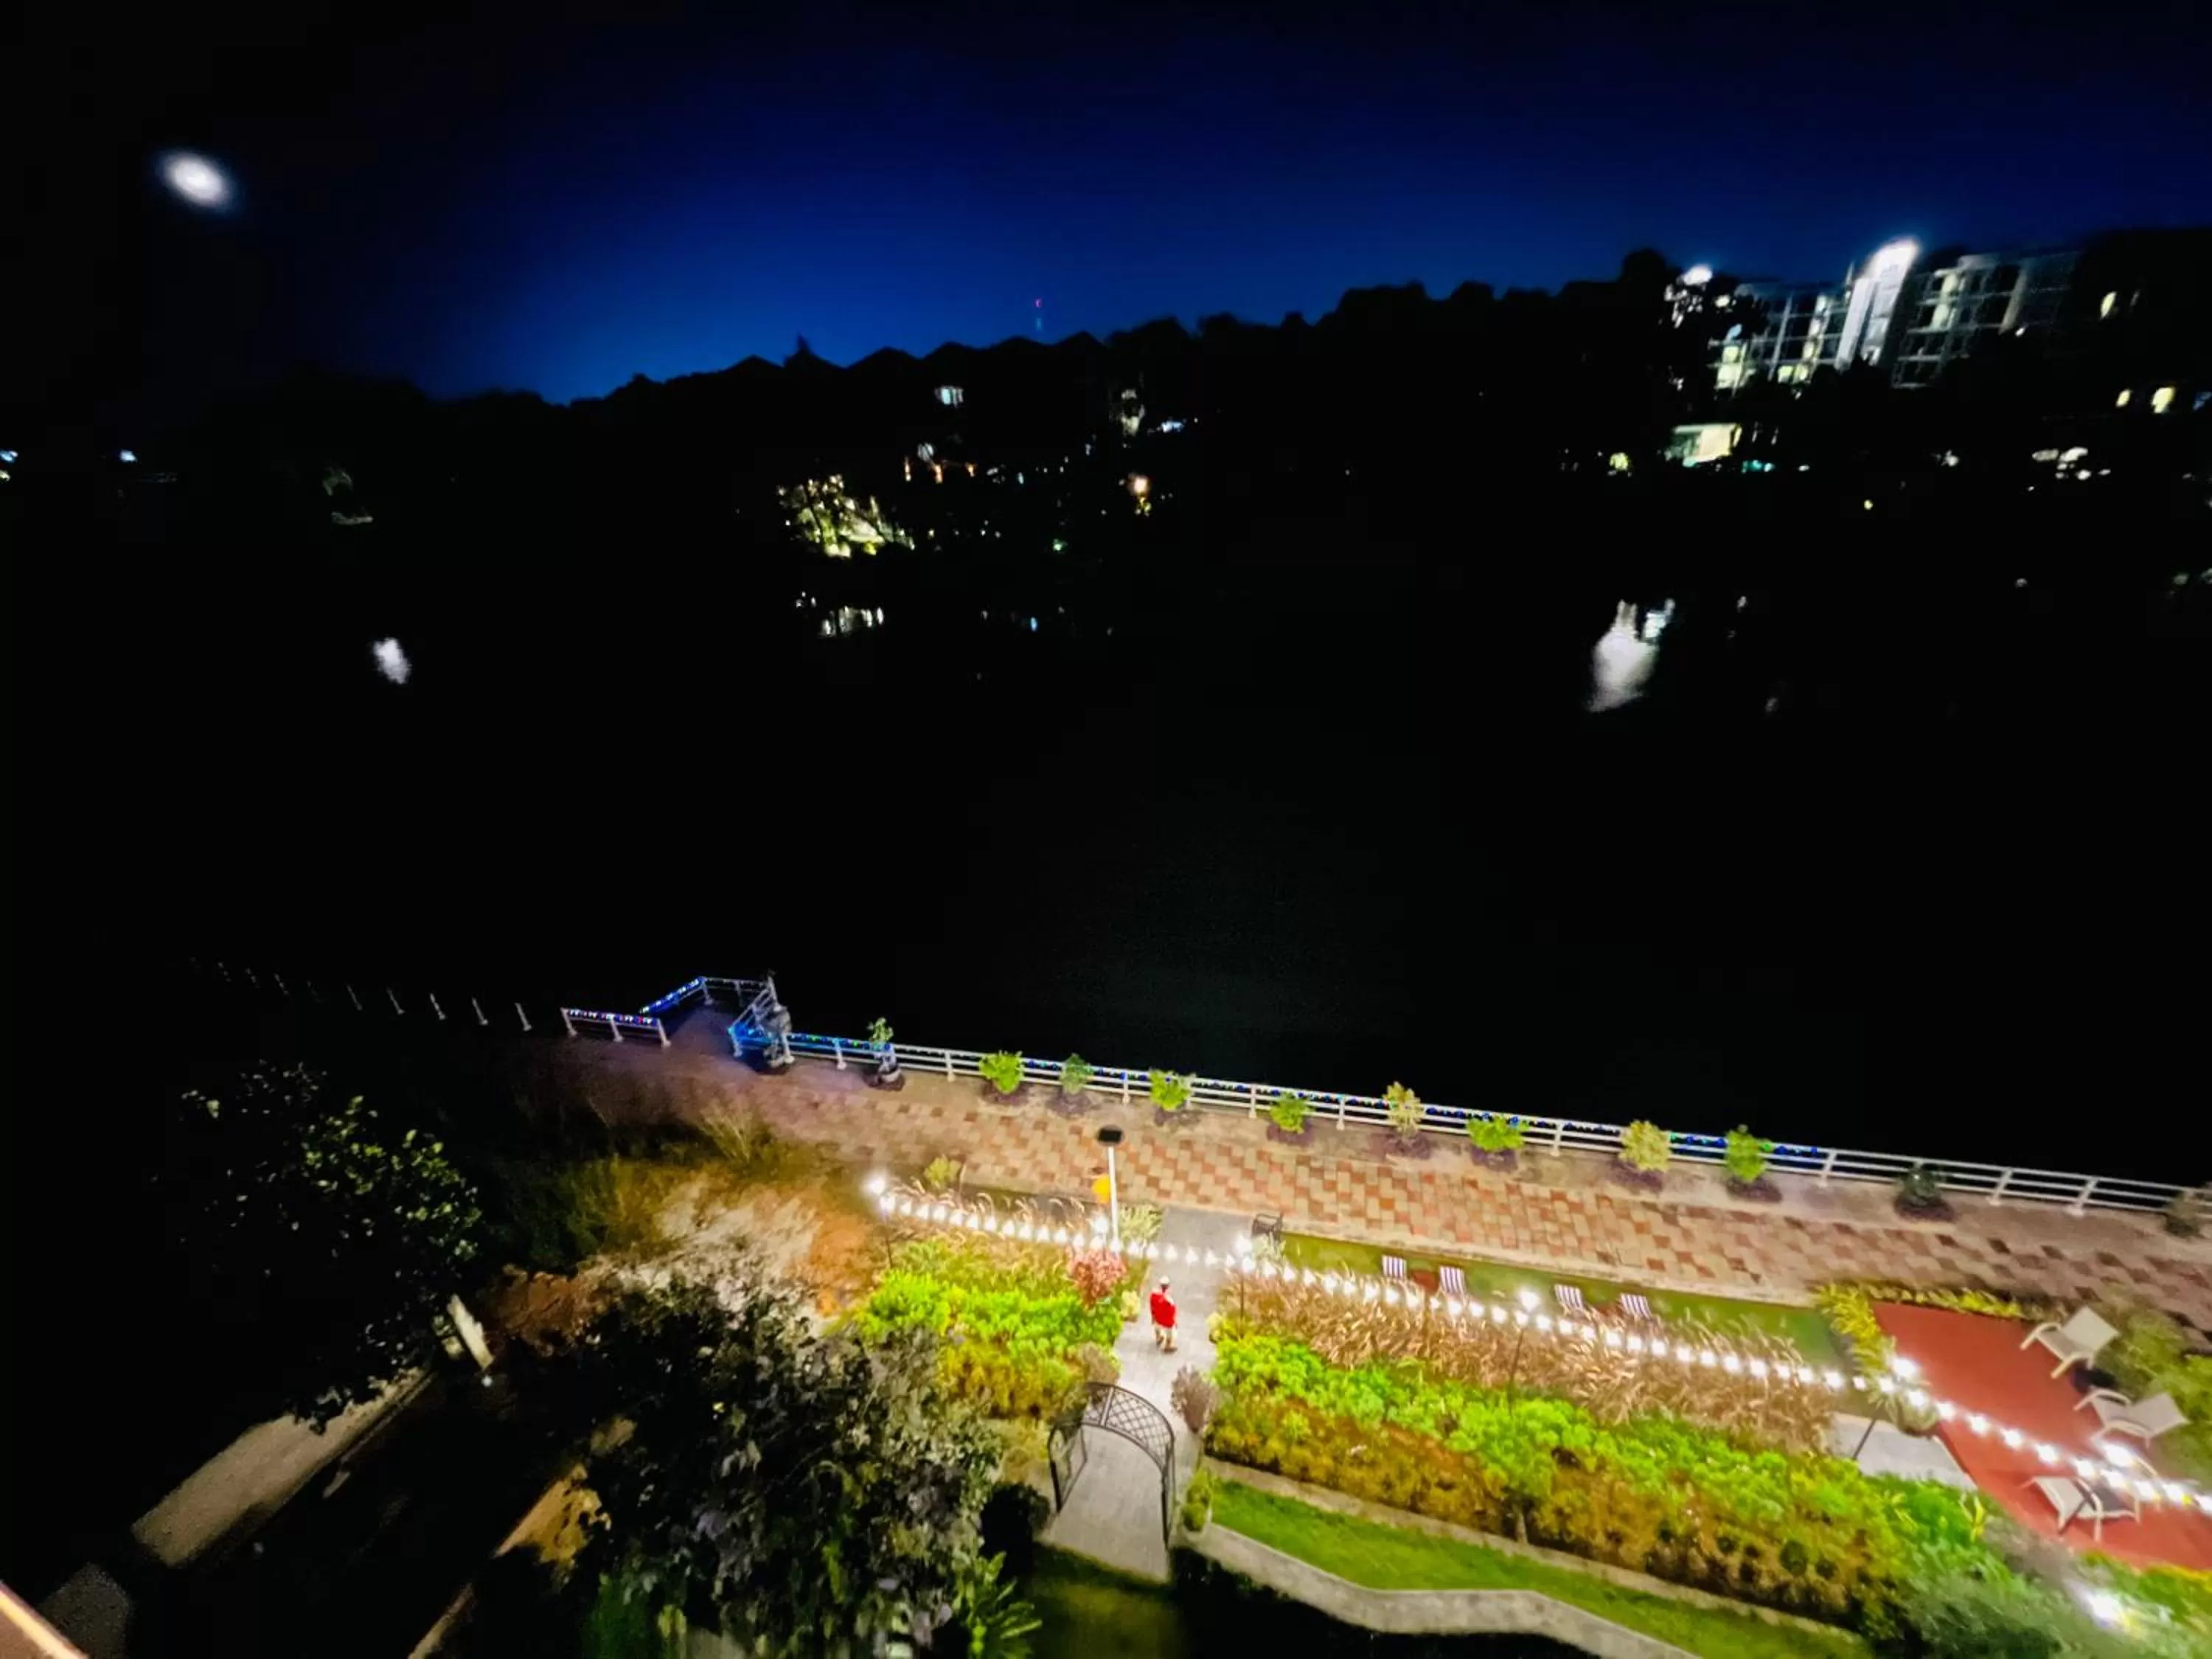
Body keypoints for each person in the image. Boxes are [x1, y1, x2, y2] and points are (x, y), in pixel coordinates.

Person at [1149, 1280, 1178, 1352]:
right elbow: (1172, 1312)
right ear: (1168, 1286)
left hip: (1157, 1318)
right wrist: (1174, 1321)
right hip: (1167, 1321)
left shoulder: (1154, 1295)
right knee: (1170, 1333)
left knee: (1157, 1327)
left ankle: (1158, 1337)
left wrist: (1153, 1316)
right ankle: (1168, 1346)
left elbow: (1152, 1306)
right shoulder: (1169, 1300)